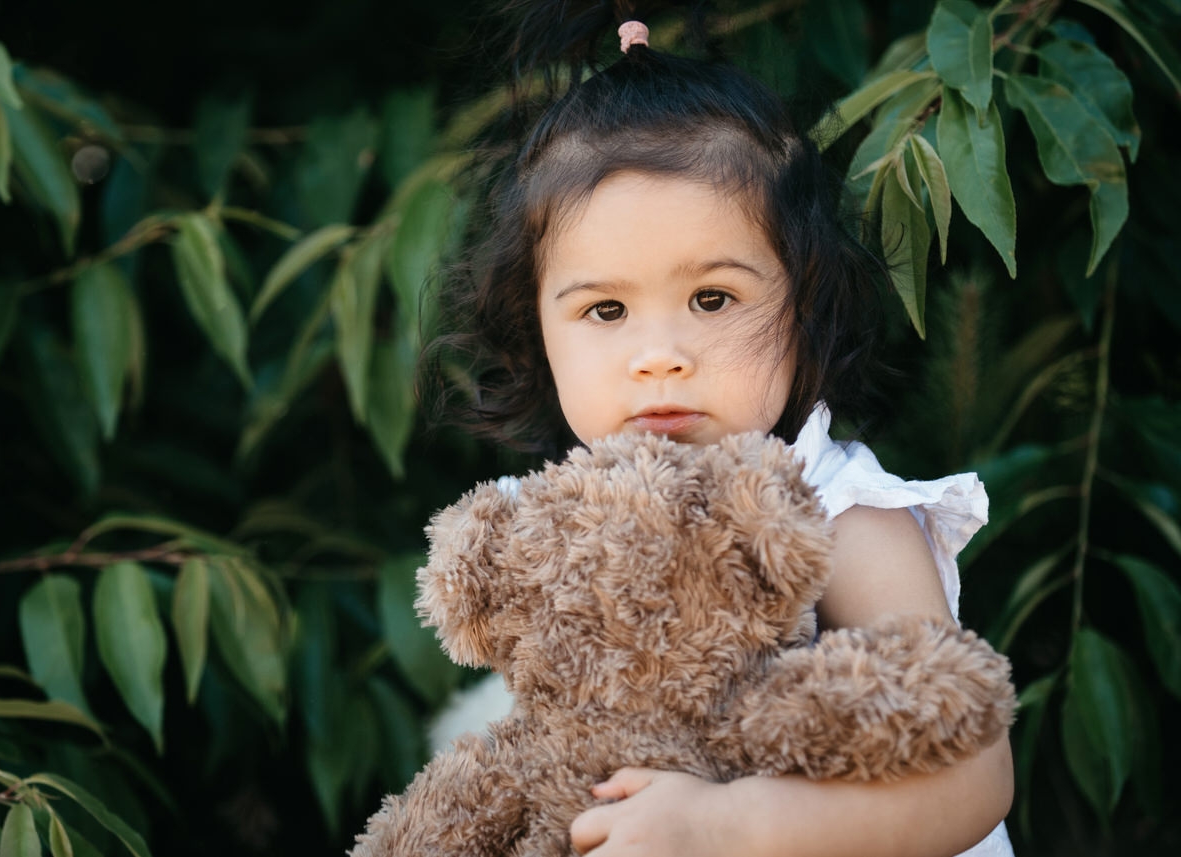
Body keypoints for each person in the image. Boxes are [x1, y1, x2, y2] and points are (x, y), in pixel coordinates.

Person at [423, 2, 1016, 855]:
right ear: (538, 331)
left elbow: (974, 774)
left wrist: (725, 825)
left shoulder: (843, 514)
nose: (659, 355)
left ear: (803, 304)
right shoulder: (557, 527)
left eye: (712, 298)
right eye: (605, 309)